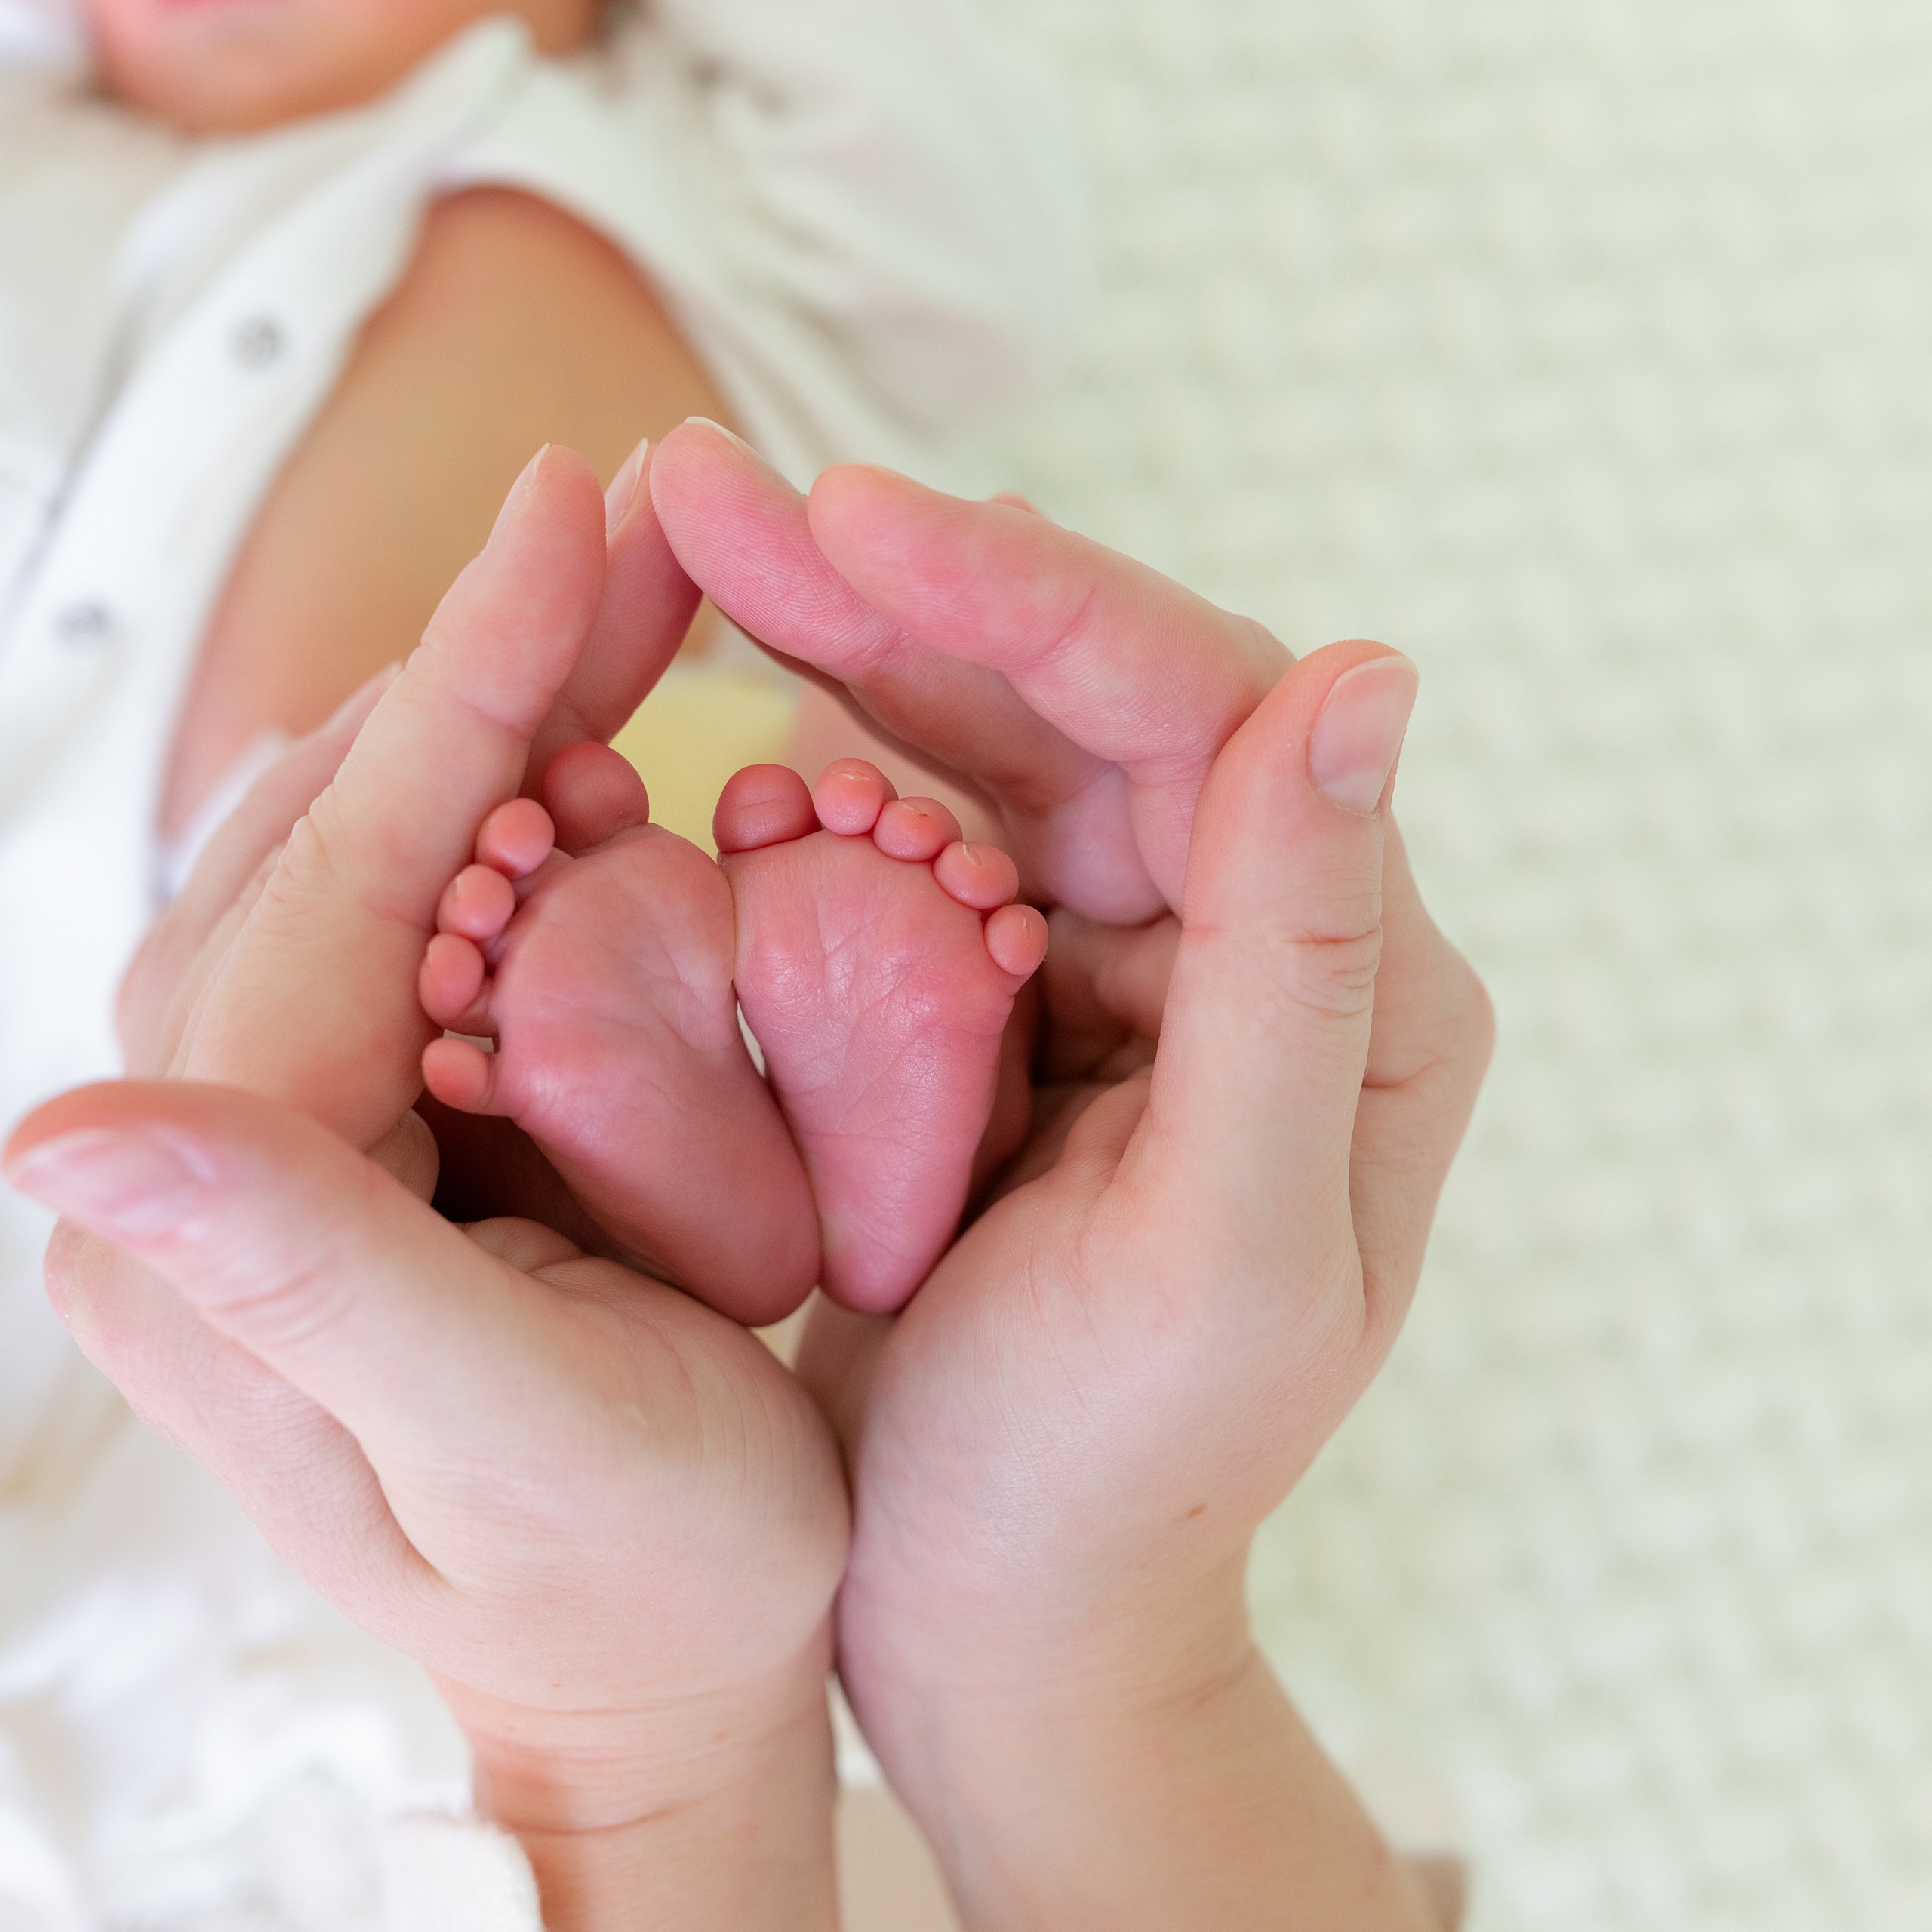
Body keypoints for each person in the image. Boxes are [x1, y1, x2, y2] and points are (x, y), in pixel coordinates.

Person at [6, 425, 1493, 1925]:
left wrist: (644, 1741)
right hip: (385, 1547)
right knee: (357, 712)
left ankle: (648, 1142)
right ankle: (743, 1091)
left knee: (387, 839)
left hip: (441, 1578)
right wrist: (1054, 1651)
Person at [0, 2, 1071, 1900]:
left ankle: (818, 1071)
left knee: (812, 800)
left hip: (685, 763)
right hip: (175, 964)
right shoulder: (58, 184)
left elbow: (971, 152)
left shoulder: (749, 180)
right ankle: (674, 1098)